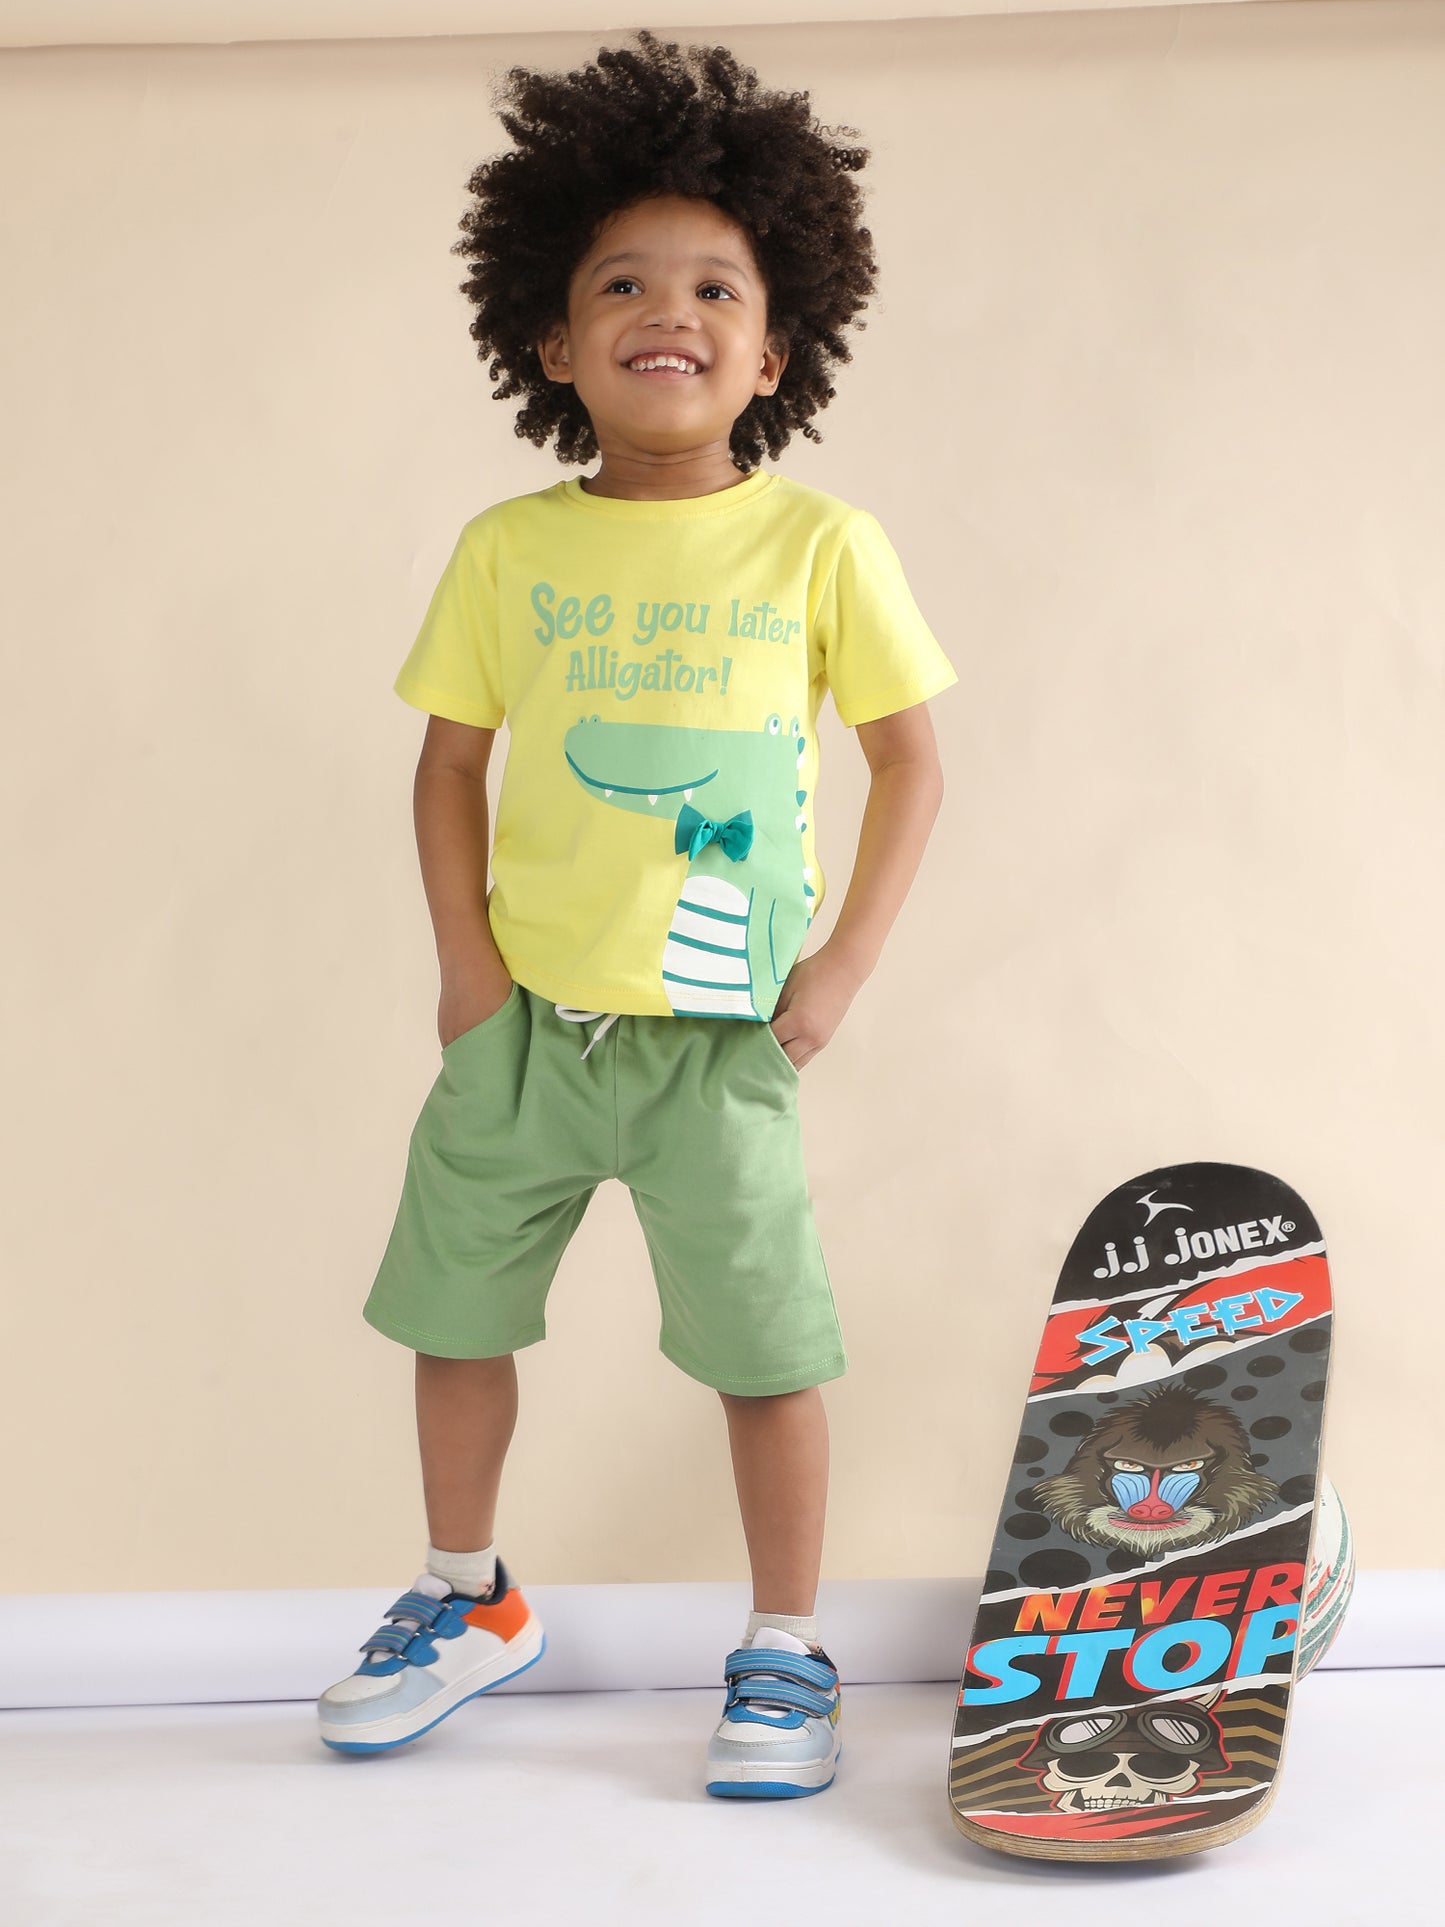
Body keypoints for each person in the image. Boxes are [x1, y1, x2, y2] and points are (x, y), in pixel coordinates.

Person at [317, 30, 957, 1798]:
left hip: (722, 1042)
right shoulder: (507, 550)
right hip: (526, 1032)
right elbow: (450, 765)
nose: (664, 309)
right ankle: (467, 1597)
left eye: (712, 287)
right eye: (619, 282)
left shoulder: (820, 547)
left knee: (765, 1351)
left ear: (773, 351)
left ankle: (787, 1647)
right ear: (550, 341)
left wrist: (839, 970)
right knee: (455, 1318)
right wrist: (466, 972)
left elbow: (911, 762)